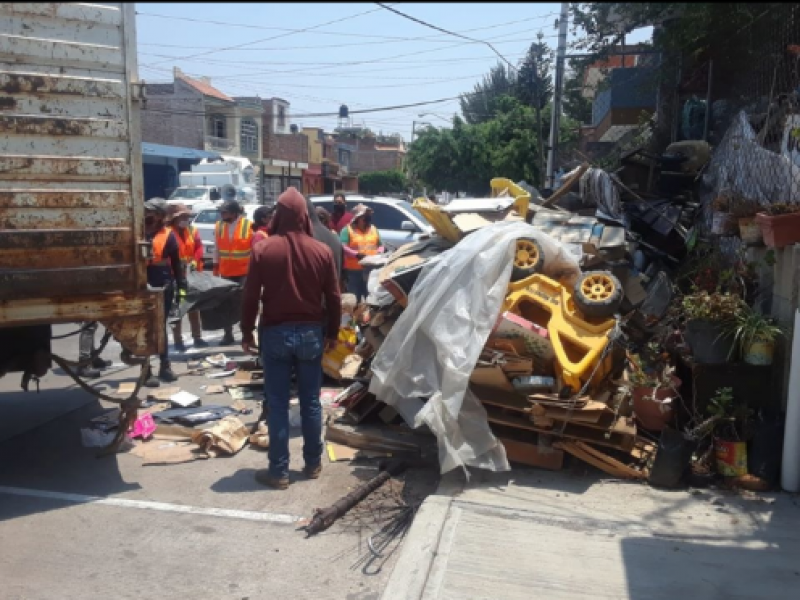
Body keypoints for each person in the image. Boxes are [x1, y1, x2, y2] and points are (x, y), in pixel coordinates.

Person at [241, 187, 341, 490]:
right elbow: (334, 298)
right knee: (311, 402)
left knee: (278, 403)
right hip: (311, 333)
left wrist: (246, 330)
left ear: (280, 215)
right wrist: (333, 333)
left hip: (275, 334)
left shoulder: (263, 249)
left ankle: (279, 471)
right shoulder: (321, 250)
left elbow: (249, 296)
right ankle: (312, 464)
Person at [144, 197, 186, 386]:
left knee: (160, 327)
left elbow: (176, 263)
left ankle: (164, 366)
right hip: (141, 283)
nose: (147, 215)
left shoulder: (168, 235)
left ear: (160, 216)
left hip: (162, 284)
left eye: (151, 212)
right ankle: (145, 370)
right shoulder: (138, 231)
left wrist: (181, 285)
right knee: (142, 328)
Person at [168, 203, 208, 353]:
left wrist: (195, 261)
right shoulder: (168, 232)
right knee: (177, 309)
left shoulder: (192, 230)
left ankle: (197, 337)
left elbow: (198, 247)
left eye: (186, 216)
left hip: (191, 274)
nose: (185, 219)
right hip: (175, 276)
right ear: (174, 218)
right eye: (182, 217)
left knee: (194, 307)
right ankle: (178, 341)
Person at [213, 199, 253, 346]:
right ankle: (228, 334)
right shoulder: (219, 226)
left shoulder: (248, 225)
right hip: (226, 271)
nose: (222, 214)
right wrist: (215, 268)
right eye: (221, 212)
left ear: (235, 213)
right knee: (226, 304)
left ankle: (246, 335)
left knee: (243, 304)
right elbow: (217, 248)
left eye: (225, 212)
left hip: (244, 272)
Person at [340, 203, 383, 303]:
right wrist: (356, 254)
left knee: (371, 298)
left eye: (368, 216)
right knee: (354, 298)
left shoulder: (373, 229)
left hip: (371, 270)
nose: (367, 218)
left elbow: (380, 244)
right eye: (364, 216)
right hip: (354, 271)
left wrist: (379, 252)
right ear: (357, 218)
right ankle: (354, 318)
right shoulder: (347, 230)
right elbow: (342, 246)